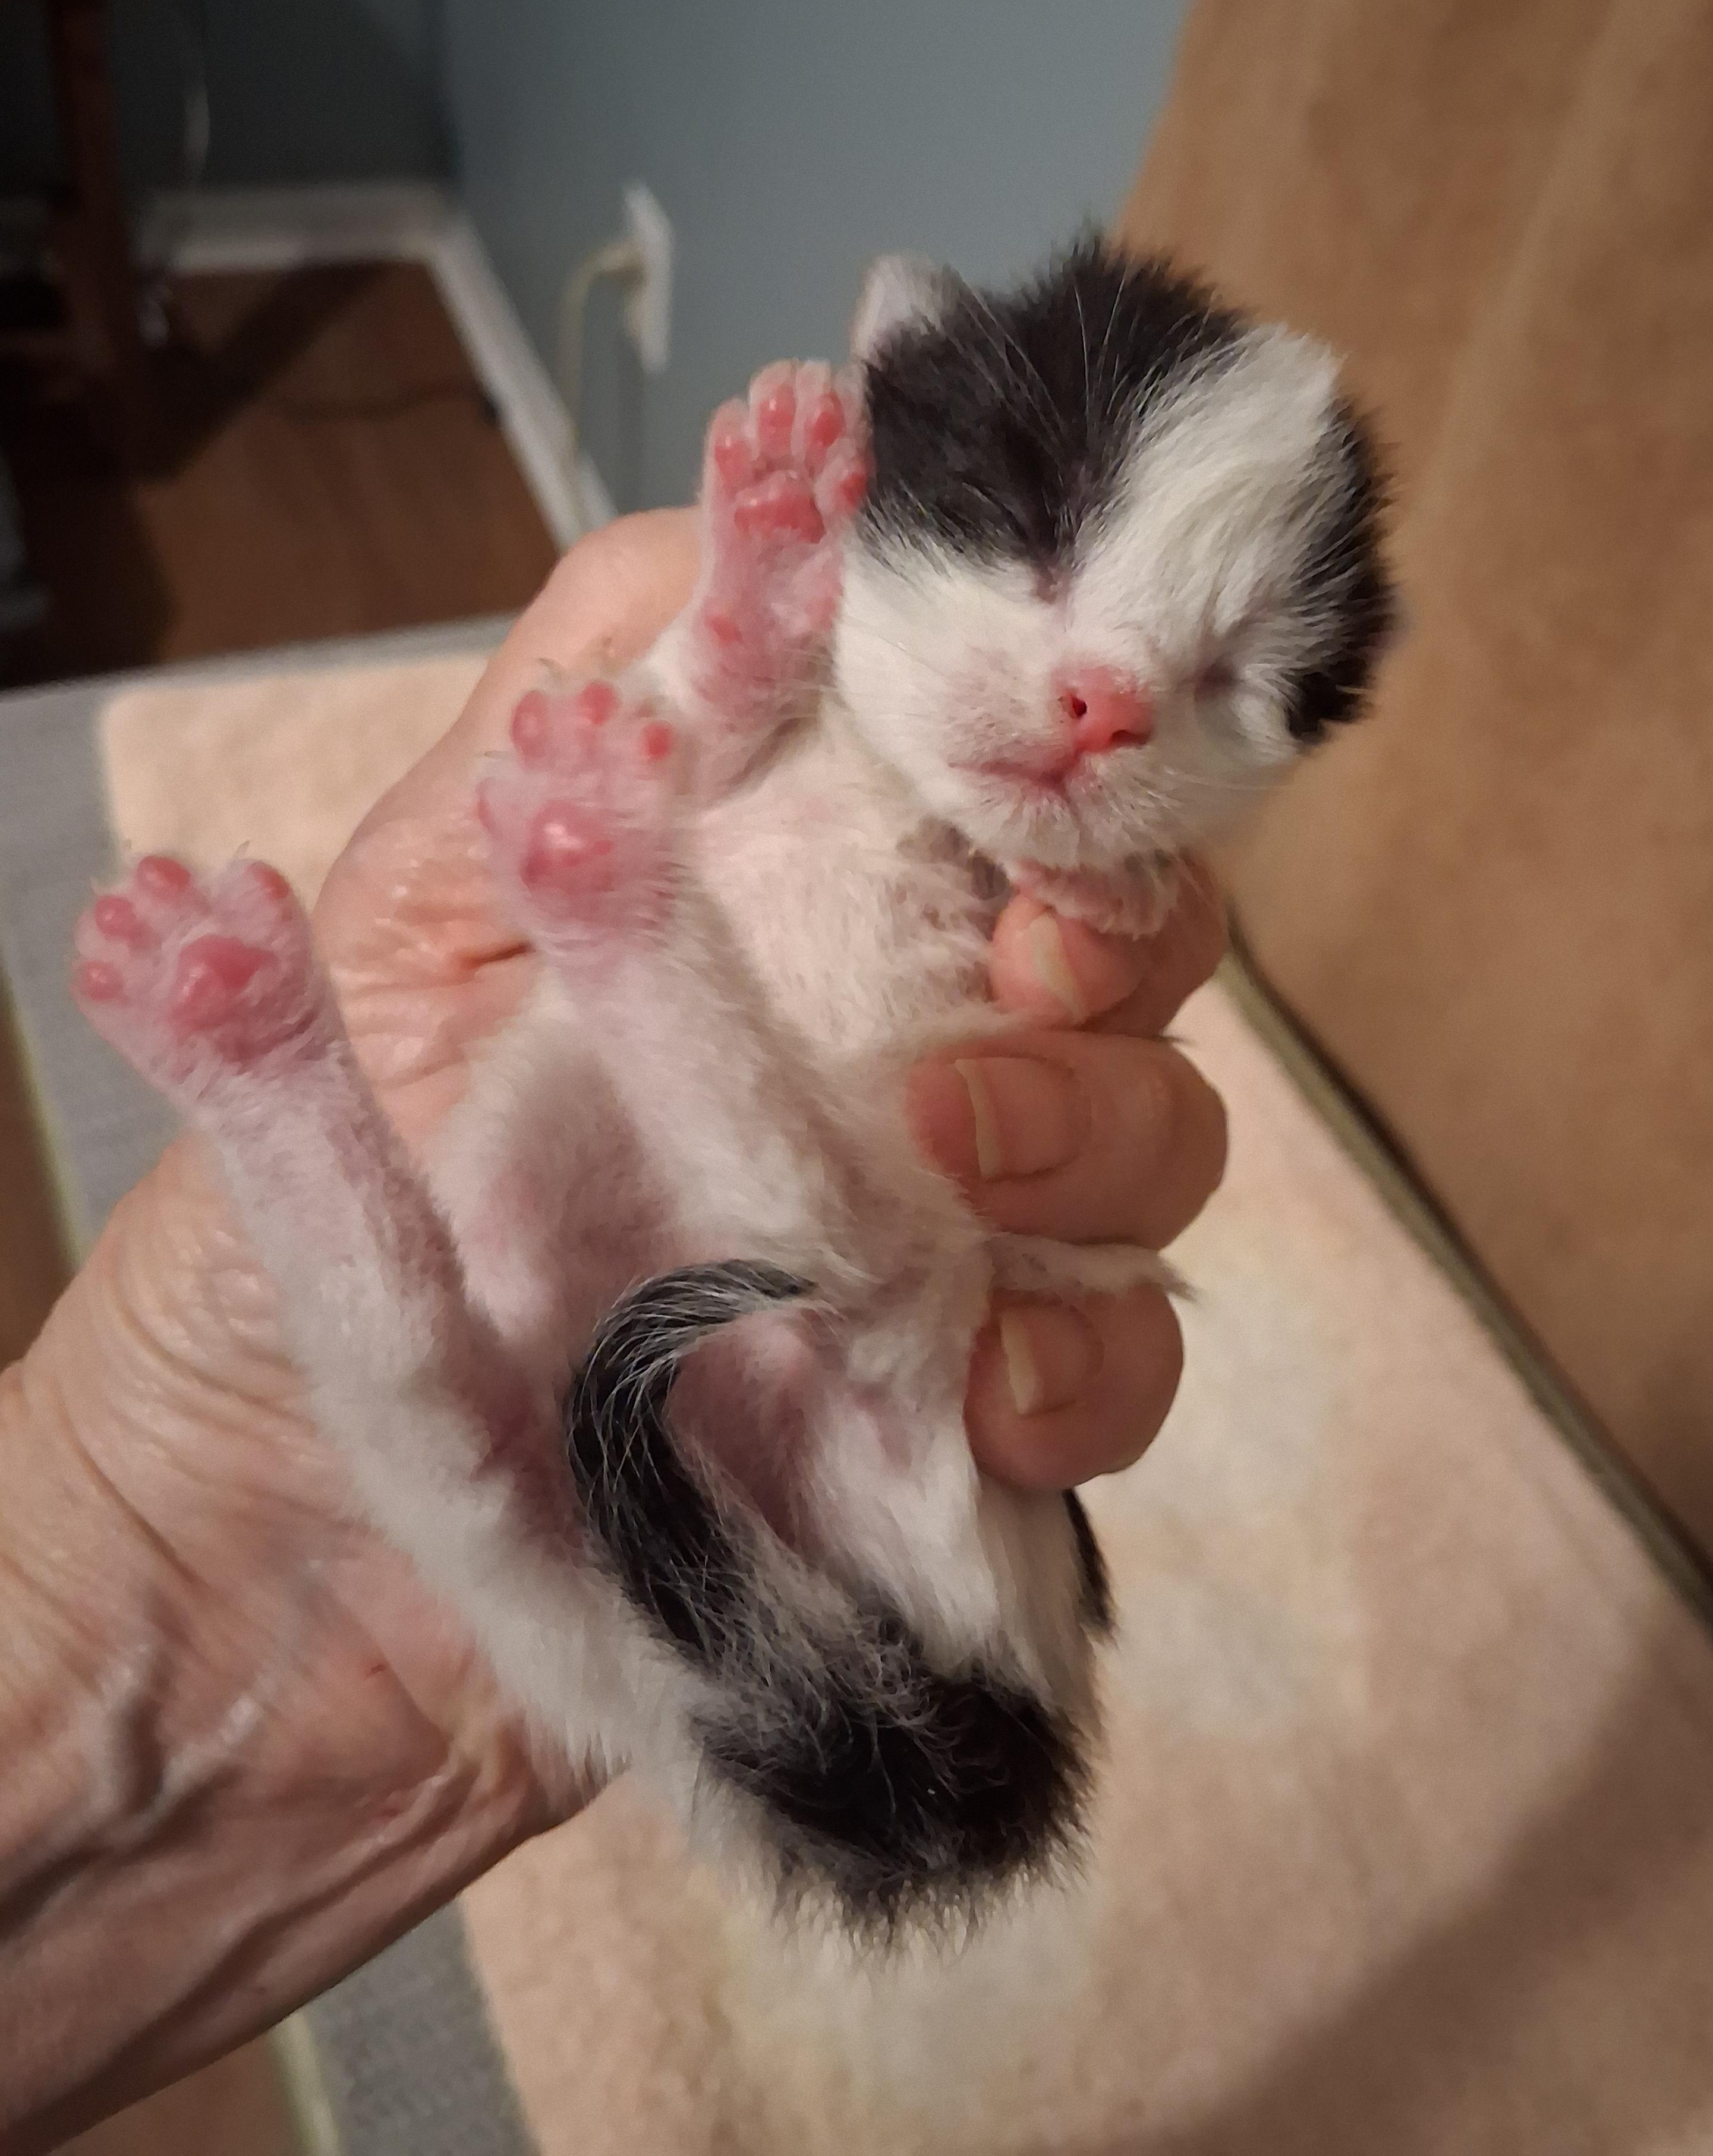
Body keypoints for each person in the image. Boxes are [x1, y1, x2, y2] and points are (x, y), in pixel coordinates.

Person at [0, 509, 1229, 2151]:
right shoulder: (875, 663)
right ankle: (325, 1063)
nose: (1098, 695)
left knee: (494, 1434)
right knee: (660, 1330)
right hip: (821, 1594)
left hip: (844, 1646)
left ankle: (291, 1087)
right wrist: (733, 632)